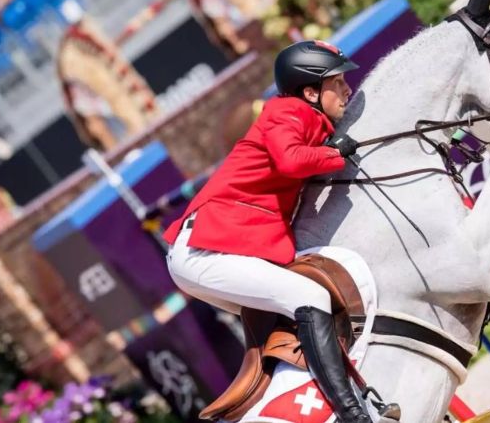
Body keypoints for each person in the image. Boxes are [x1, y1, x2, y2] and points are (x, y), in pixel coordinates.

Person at [163, 40, 387, 423]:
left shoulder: (306, 117)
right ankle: (352, 413)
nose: (347, 88)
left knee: (303, 306)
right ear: (310, 91)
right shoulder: (288, 111)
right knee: (309, 295)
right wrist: (337, 153)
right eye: (338, 82)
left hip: (218, 248)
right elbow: (290, 160)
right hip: (205, 250)